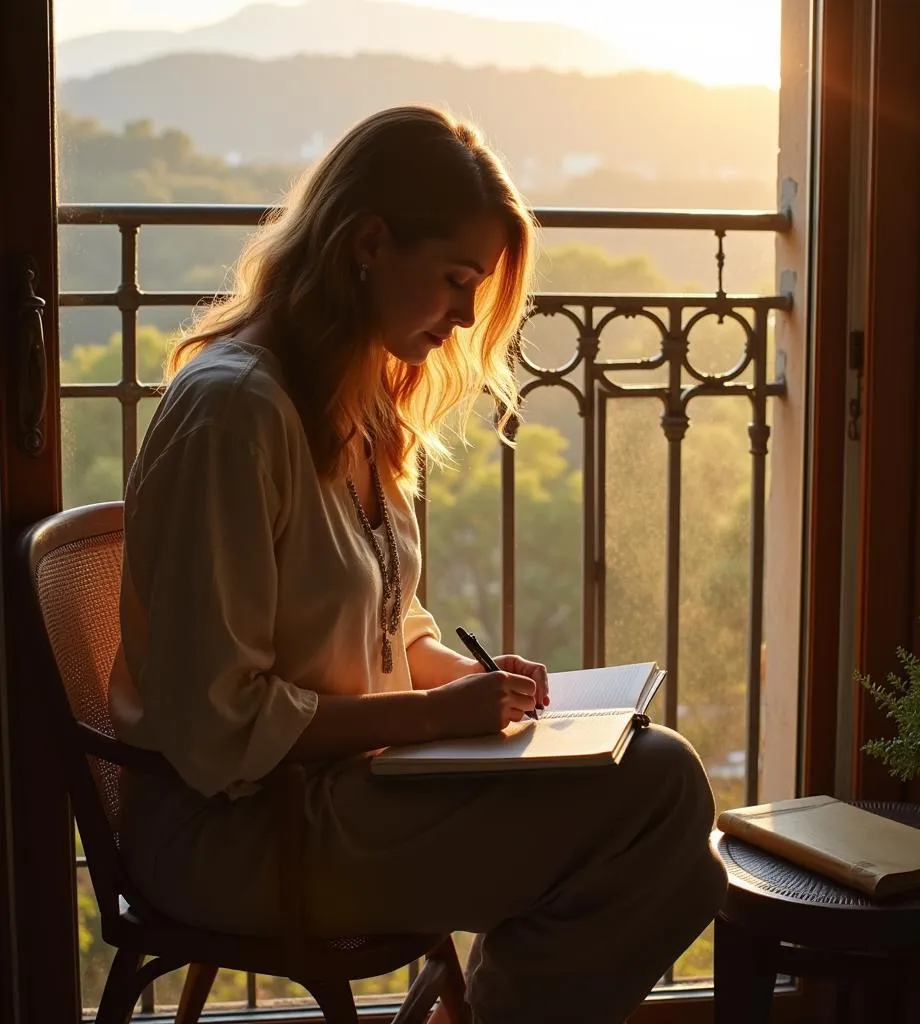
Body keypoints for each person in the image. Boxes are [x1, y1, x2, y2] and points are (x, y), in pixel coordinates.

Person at [110, 105, 727, 1024]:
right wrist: (436, 714)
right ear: (367, 243)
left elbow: (388, 627)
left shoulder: (349, 404)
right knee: (657, 804)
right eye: (455, 280)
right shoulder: (234, 415)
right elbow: (218, 722)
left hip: (332, 793)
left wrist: (473, 682)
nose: (468, 317)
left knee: (658, 794)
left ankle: (471, 1011)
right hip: (239, 831)